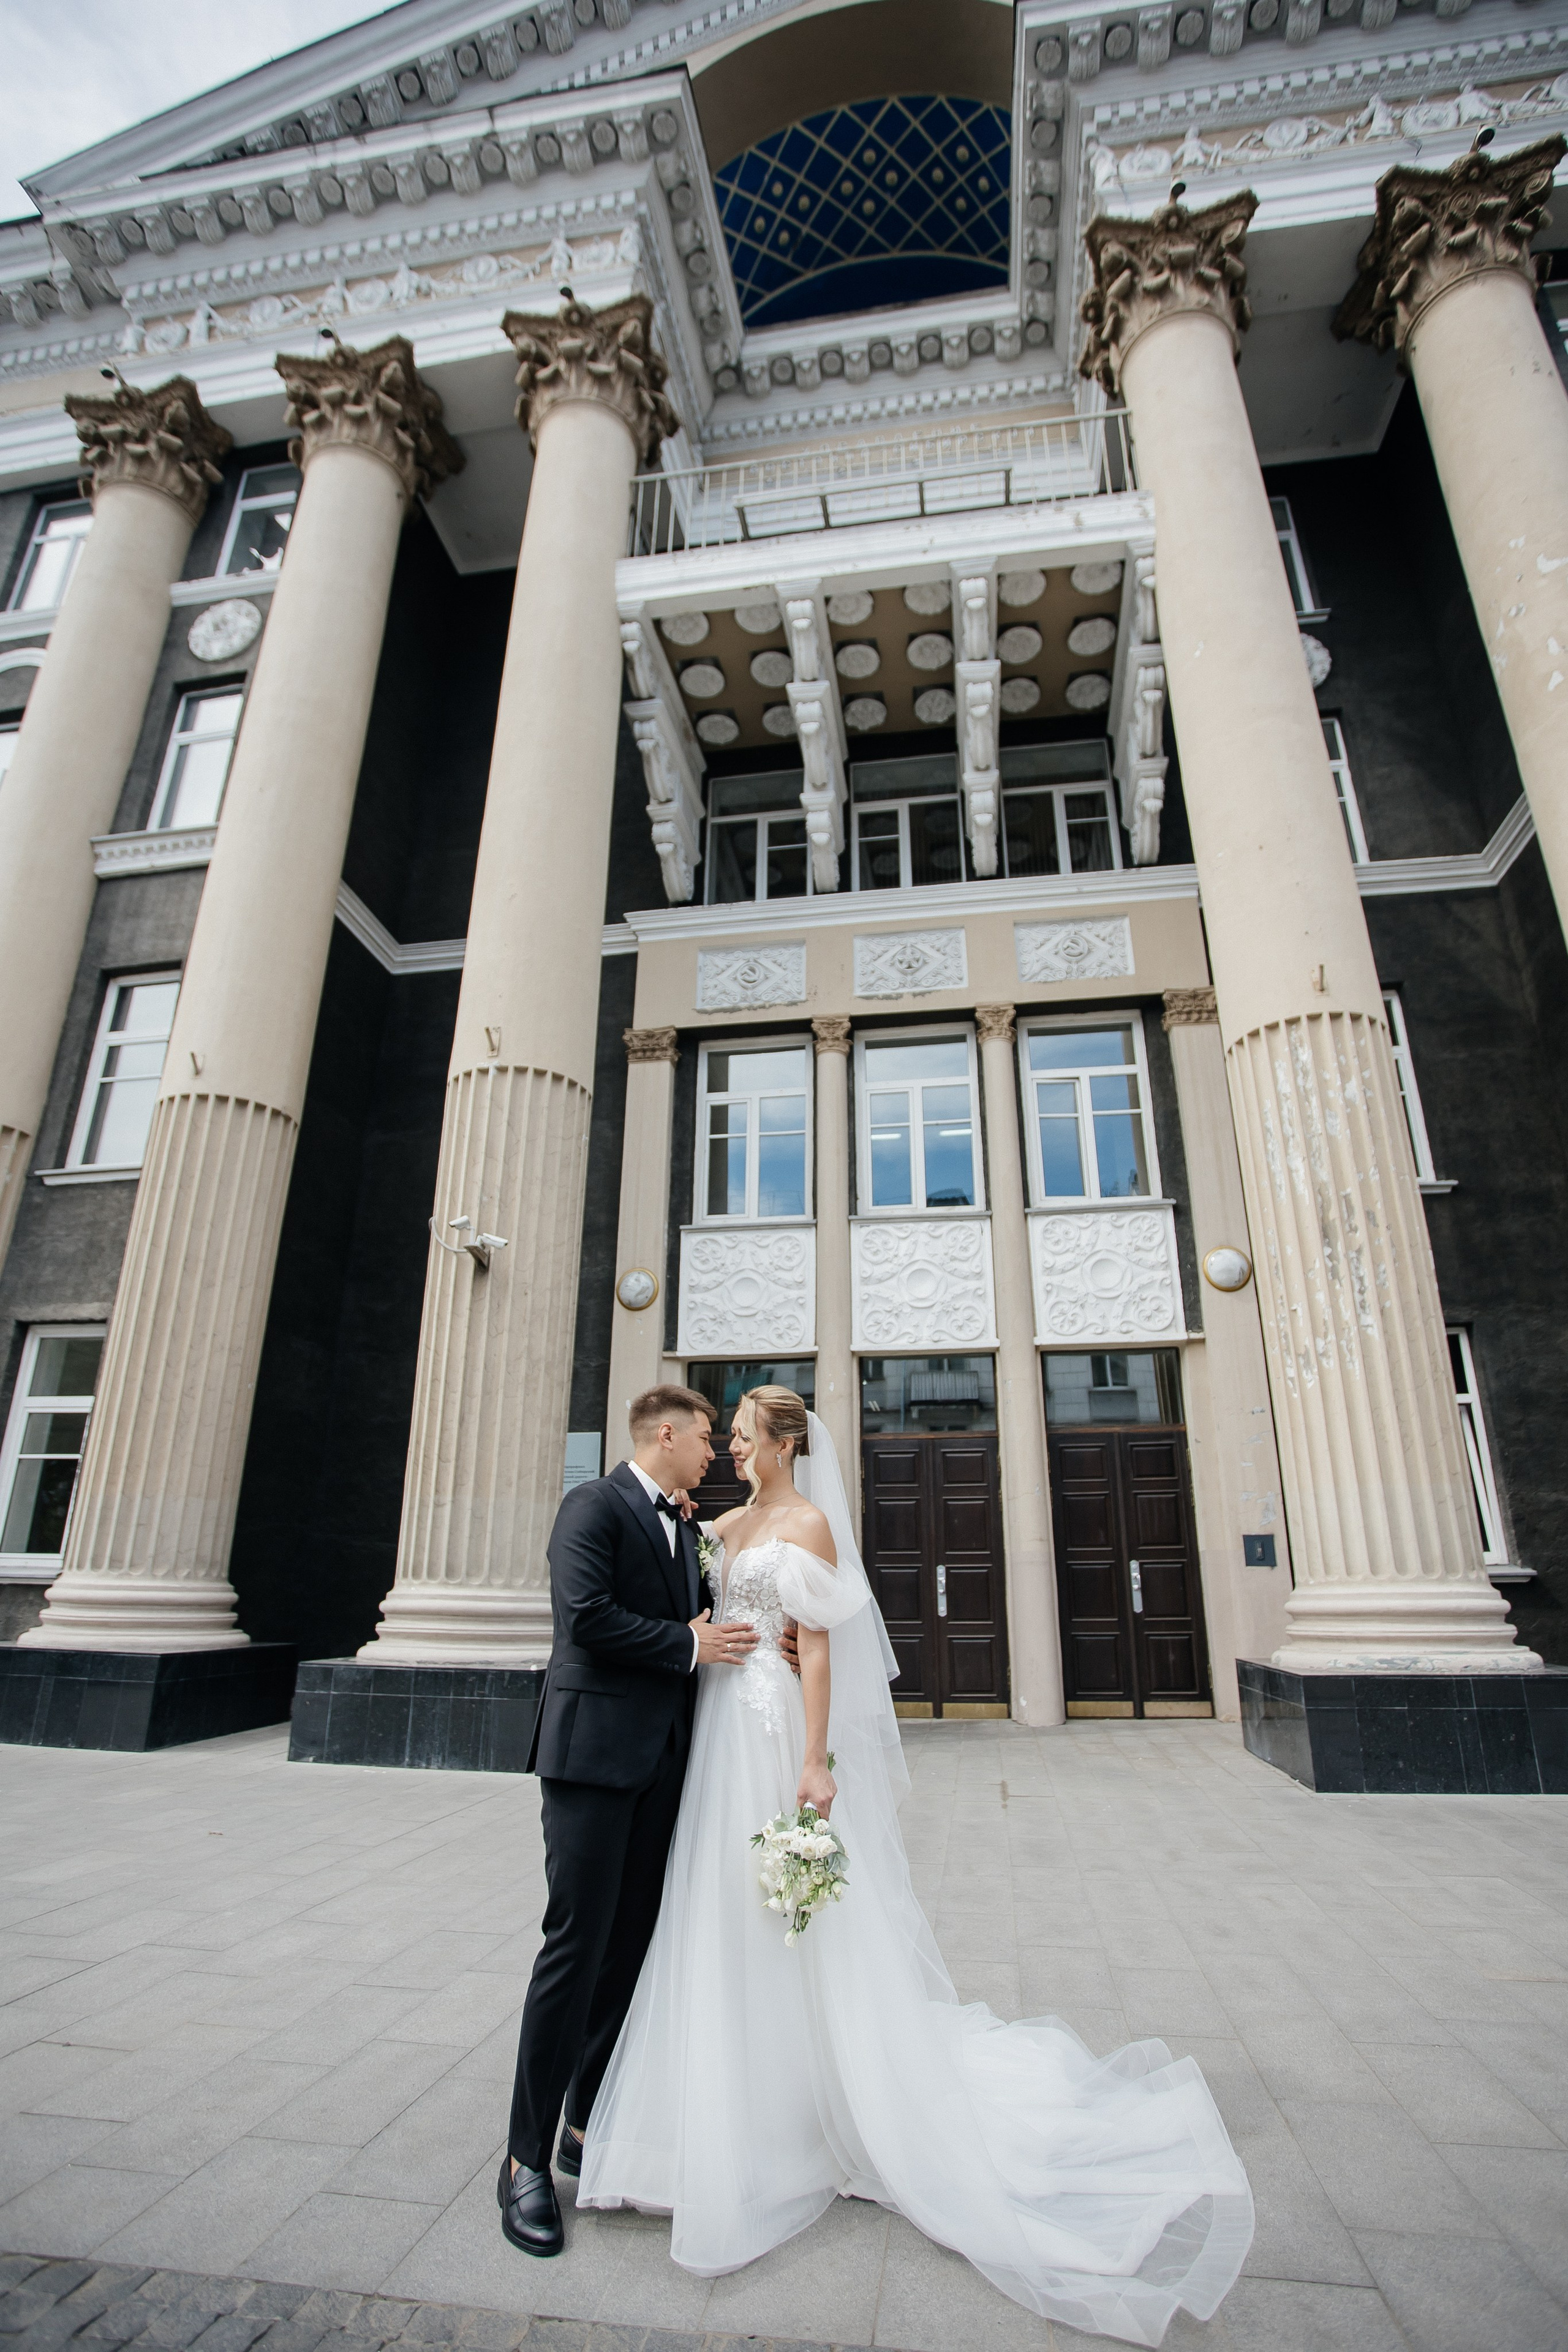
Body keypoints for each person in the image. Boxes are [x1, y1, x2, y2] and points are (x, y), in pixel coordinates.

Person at [576, 1385, 1255, 2350]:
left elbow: (815, 1651)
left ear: (781, 1444)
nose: (726, 1449)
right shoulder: (722, 1520)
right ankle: (724, 2097)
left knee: (788, 1915)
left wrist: (814, 1761)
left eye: (739, 1436)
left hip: (770, 1732)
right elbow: (690, 1584)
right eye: (719, 1436)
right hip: (716, 1726)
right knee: (717, 1908)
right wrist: (686, 1529)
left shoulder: (807, 1525)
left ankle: (815, 2104)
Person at [499, 1384, 760, 2261]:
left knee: (629, 1948)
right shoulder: (592, 1506)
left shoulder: (682, 1523)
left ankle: (586, 2120)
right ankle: (523, 2161)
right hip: (591, 1761)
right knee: (574, 1949)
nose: (716, 1453)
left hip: (662, 1767)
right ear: (665, 1433)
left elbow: (707, 1614)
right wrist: (690, 1644)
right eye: (707, 1438)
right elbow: (587, 1618)